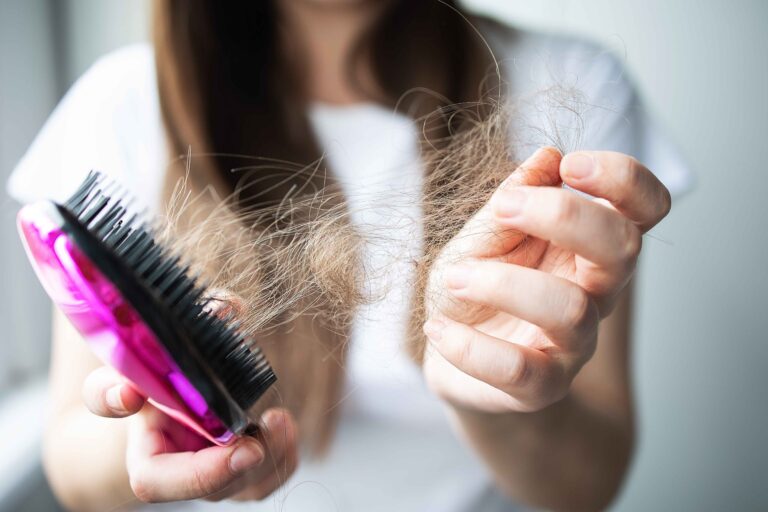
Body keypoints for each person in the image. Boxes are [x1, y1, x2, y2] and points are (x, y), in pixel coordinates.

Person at [8, 1, 691, 511]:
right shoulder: (122, 101)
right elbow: (72, 465)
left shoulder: (570, 83)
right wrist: (156, 427)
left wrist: (489, 393)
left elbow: (586, 487)